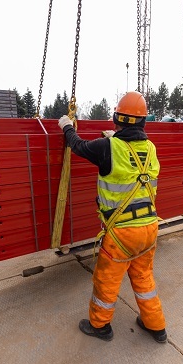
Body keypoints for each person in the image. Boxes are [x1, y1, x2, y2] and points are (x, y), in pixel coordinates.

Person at [57, 91, 167, 343]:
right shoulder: (150, 148)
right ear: (143, 122)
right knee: (143, 277)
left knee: (107, 281)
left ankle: (100, 326)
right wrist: (114, 140)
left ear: (116, 118)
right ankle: (156, 326)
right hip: (149, 228)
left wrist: (66, 127)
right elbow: (129, 156)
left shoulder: (106, 147)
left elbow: (78, 145)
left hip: (122, 234)